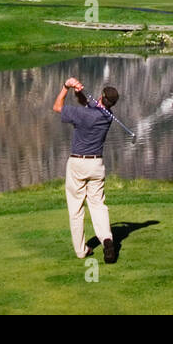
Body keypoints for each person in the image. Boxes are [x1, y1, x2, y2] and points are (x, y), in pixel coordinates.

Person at [52, 76, 119, 263]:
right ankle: (107, 239)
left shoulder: (85, 115)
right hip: (97, 165)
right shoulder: (107, 117)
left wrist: (66, 86)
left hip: (78, 164)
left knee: (76, 209)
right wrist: (79, 90)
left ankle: (82, 250)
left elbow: (57, 107)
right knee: (98, 205)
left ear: (101, 97)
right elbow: (88, 103)